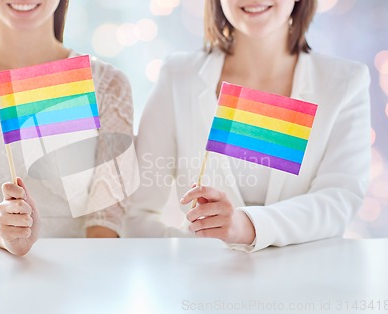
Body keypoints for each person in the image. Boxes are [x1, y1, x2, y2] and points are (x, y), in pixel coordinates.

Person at [126, 0, 371, 252]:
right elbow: (137, 213)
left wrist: (247, 225)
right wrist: (186, 254)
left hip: (303, 282)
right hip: (202, 284)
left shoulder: (344, 83)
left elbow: (338, 199)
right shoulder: (178, 76)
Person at [0, 0, 134, 255]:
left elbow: (107, 217)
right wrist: (5, 231)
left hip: (81, 275)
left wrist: (90, 278)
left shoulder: (108, 83)